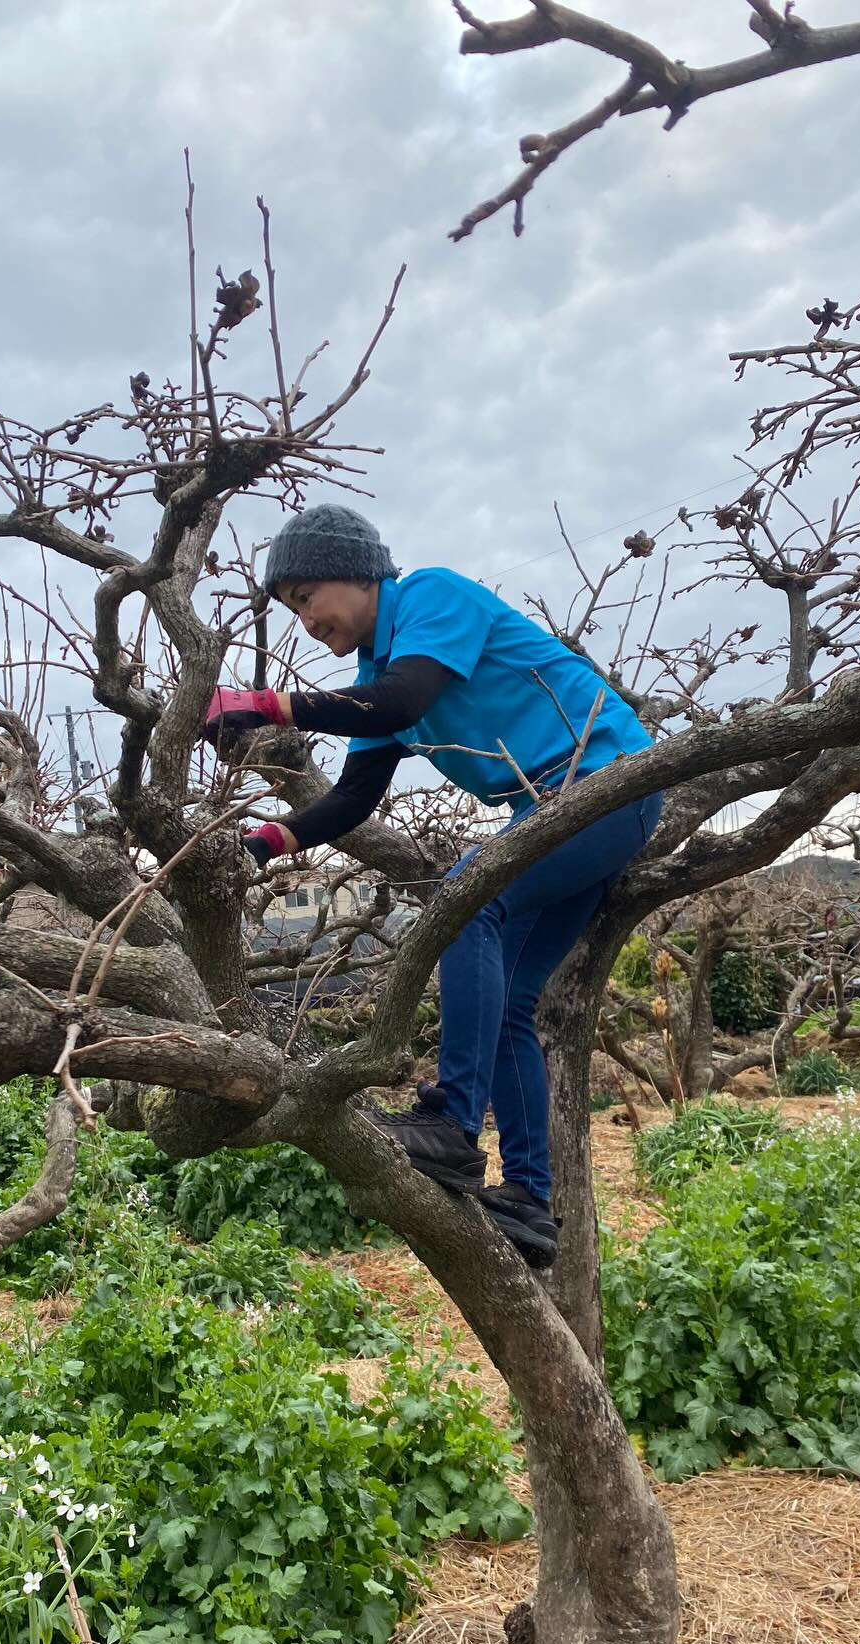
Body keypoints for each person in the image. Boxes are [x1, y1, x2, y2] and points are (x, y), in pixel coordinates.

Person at [202, 503, 661, 1265]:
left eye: (308, 596)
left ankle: (450, 1123)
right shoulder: (373, 673)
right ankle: (530, 1201)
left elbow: (403, 702)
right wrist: (265, 840)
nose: (304, 619)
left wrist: (267, 704)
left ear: (356, 571)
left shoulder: (431, 598)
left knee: (465, 899)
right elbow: (353, 800)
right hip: (554, 808)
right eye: (291, 609)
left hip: (606, 783)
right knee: (513, 1001)